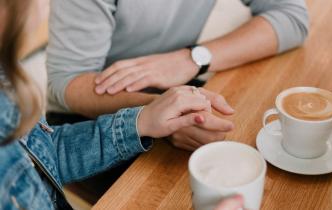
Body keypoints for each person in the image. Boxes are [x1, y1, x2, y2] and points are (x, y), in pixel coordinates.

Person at [0, 0, 234, 208]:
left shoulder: (6, 87)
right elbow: (66, 81)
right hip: (79, 116)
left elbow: (46, 154)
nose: (47, 6)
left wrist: (141, 120)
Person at [47, 0, 309, 151]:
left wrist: (193, 58)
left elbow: (292, 17)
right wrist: (158, 112)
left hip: (170, 85)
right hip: (85, 117)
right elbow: (67, 81)